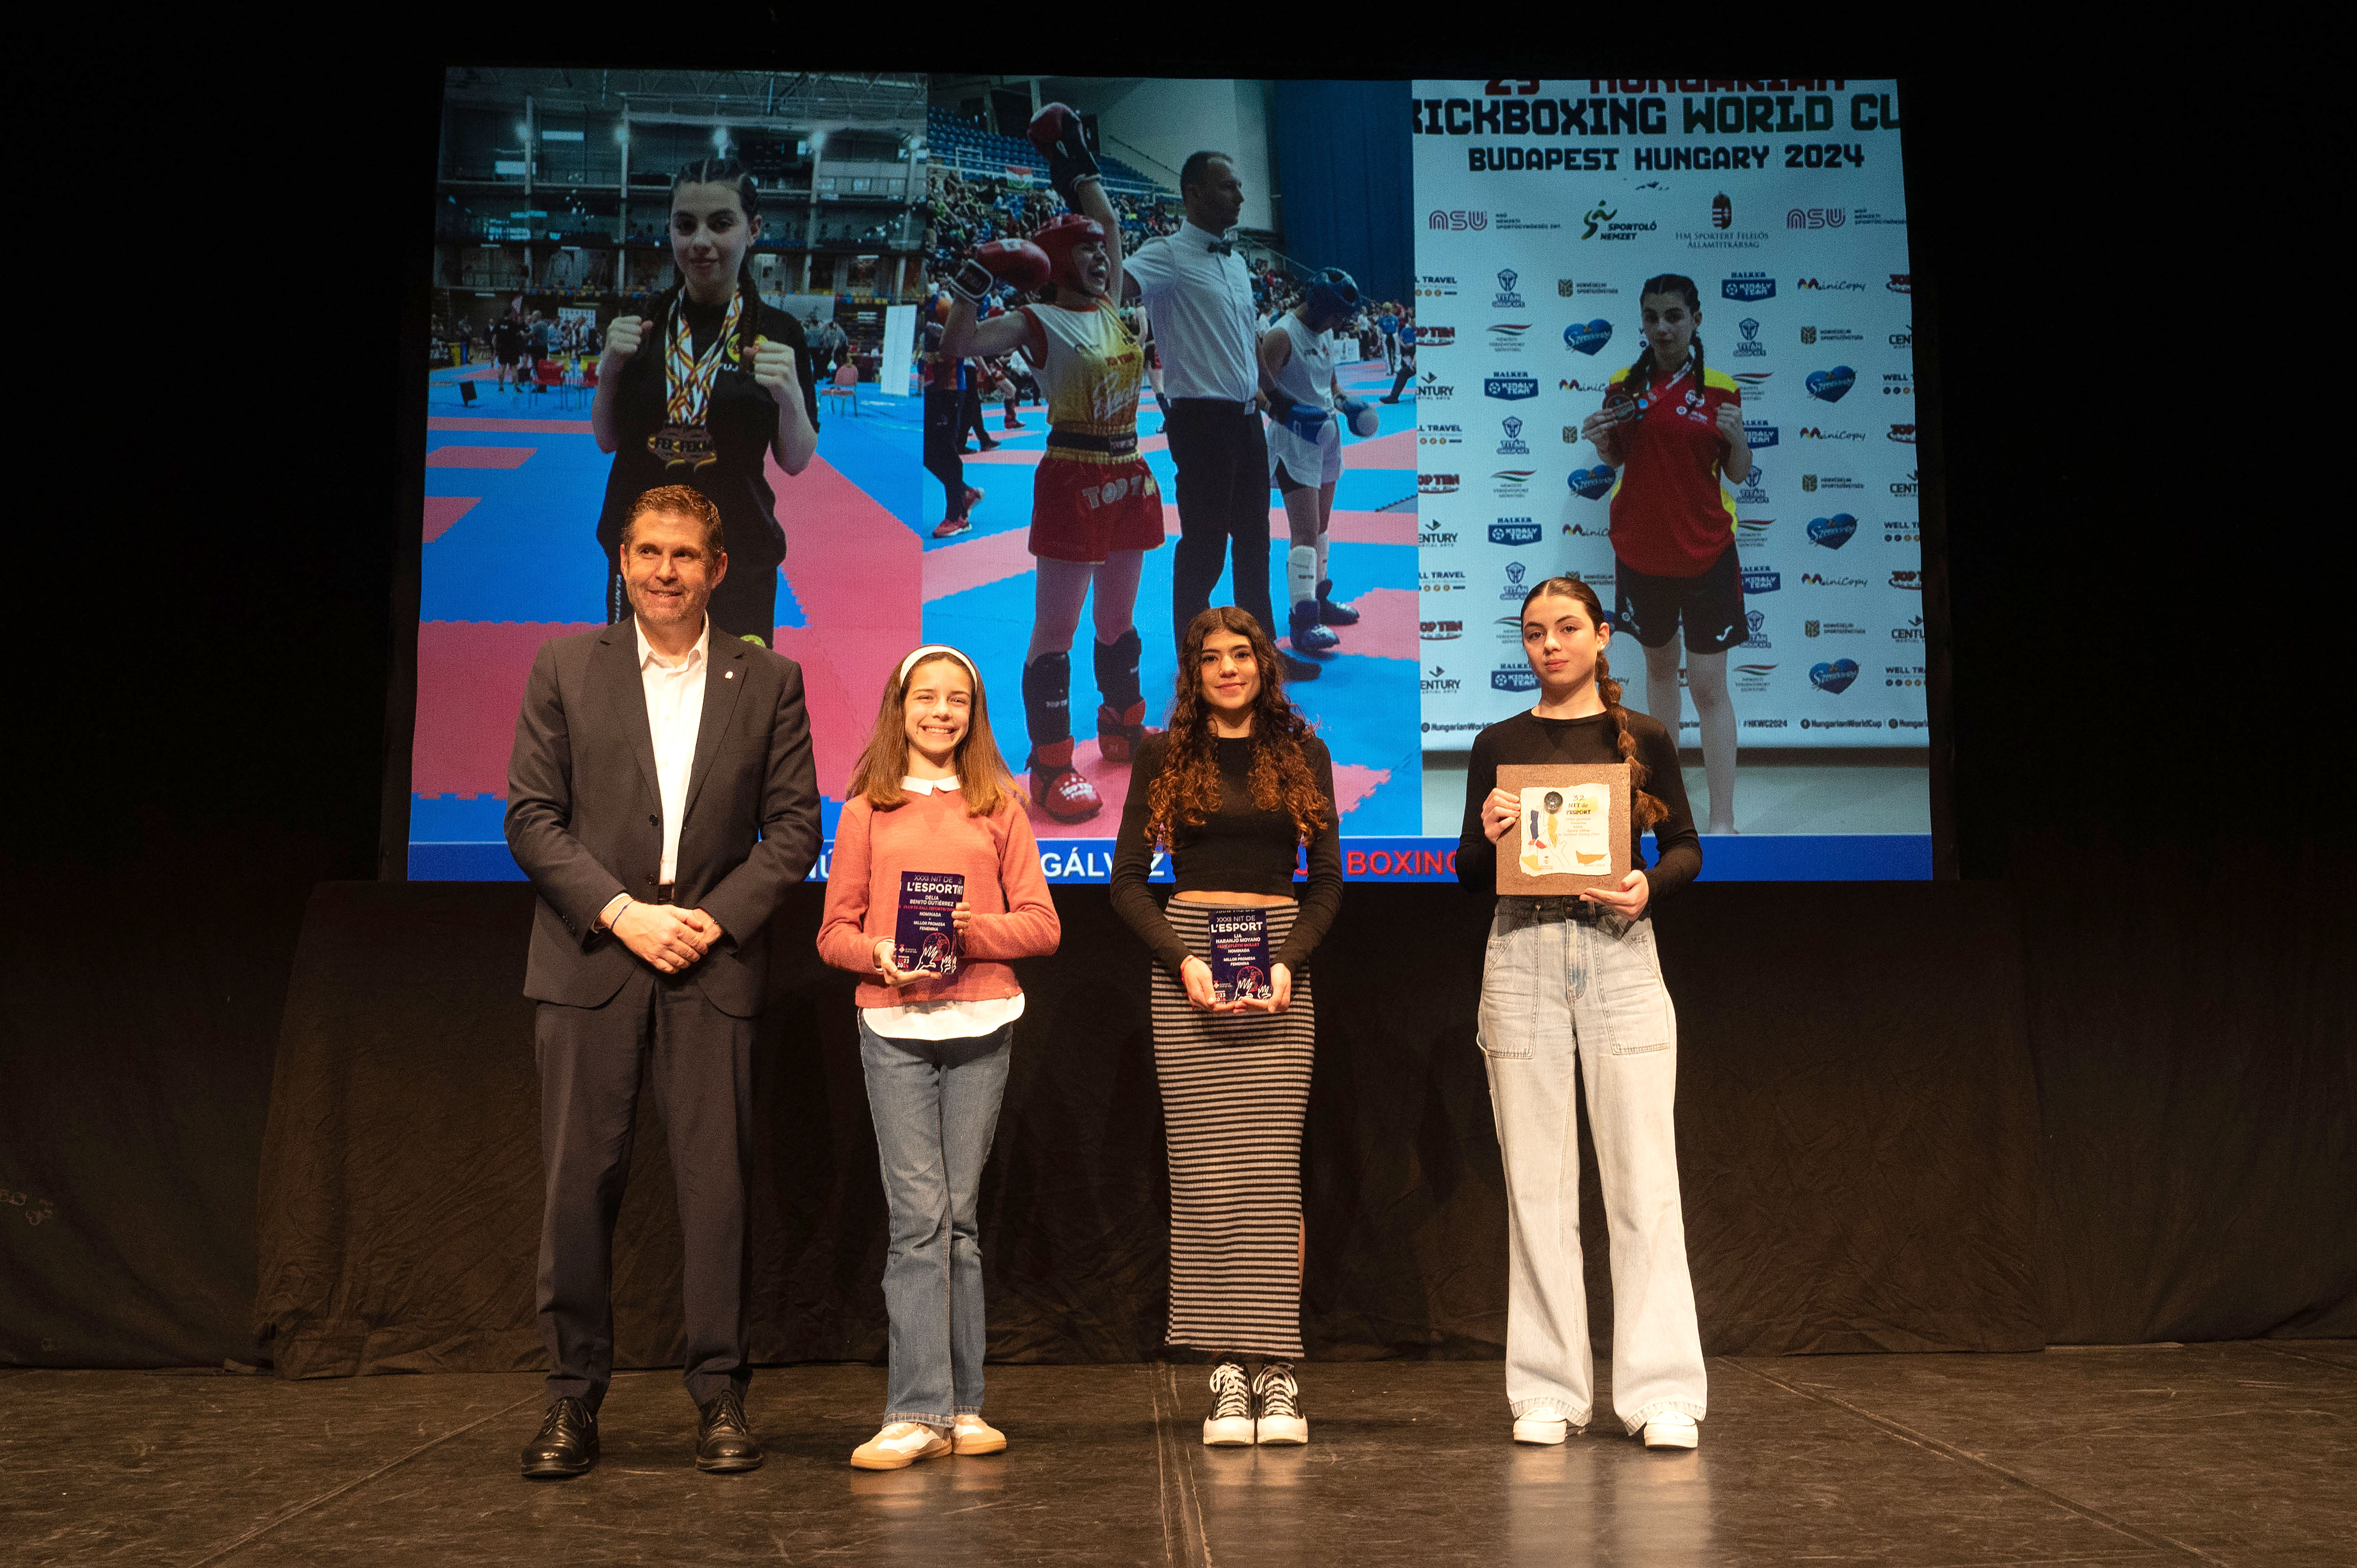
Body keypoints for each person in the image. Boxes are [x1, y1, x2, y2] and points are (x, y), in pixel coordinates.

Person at [505, 484, 823, 1480]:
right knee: (576, 1190)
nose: (665, 571)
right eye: (648, 552)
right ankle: (570, 1401)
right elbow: (530, 818)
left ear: (718, 568)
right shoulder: (564, 664)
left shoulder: (768, 678)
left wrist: (712, 919)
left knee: (716, 1190)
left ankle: (721, 1395)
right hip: (591, 959)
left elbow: (797, 830)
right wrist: (624, 912)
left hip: (711, 961)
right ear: (623, 562)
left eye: (685, 554)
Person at [1455, 574, 1707, 1453]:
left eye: (1566, 628)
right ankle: (1548, 1391)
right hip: (1520, 951)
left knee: (1642, 1181)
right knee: (1537, 1187)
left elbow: (1683, 847)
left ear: (1602, 636)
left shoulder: (1639, 736)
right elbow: (1464, 872)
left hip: (1616, 954)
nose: (1548, 645)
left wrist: (1646, 885)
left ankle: (1660, 1391)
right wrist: (1486, 832)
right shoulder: (1497, 743)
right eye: (1532, 632)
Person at [817, 645, 1059, 1471]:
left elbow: (1042, 924)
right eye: (927, 697)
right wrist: (881, 953)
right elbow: (832, 933)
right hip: (893, 1028)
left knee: (958, 1220)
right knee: (919, 1218)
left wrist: (966, 930)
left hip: (982, 1024)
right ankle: (913, 1410)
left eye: (957, 699)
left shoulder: (1001, 806)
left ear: (973, 713)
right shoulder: (864, 811)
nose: (941, 712)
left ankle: (961, 1406)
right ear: (901, 706)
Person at [1110, 607, 1344, 1447]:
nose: (1226, 669)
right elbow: (1128, 881)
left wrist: (1290, 961)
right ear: (1193, 671)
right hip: (1190, 967)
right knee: (1207, 1177)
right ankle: (1224, 1376)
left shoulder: (1301, 754)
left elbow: (1326, 884)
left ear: (1262, 663)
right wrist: (1183, 959)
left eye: (1240, 654)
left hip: (1281, 960)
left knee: (1271, 1175)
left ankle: (1276, 1371)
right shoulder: (1161, 753)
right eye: (1209, 658)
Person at [943, 112, 1164, 825]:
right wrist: (974, 278)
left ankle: (1123, 726)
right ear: (1060, 261)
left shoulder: (1110, 301)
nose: (1103, 257)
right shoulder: (1039, 319)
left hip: (1129, 470)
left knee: (1119, 622)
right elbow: (959, 344)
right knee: (1056, 631)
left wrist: (1067, 152)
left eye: (1104, 252)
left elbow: (1103, 214)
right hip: (1072, 474)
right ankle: (1050, 765)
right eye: (1089, 253)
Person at [591, 157, 822, 647]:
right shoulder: (641, 328)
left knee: (735, 704)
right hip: (647, 554)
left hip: (737, 552)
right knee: (641, 698)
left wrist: (791, 397)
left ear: (752, 229)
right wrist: (609, 370)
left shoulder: (779, 333)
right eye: (685, 224)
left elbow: (796, 460)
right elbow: (606, 439)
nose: (700, 241)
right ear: (670, 229)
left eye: (720, 223)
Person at [1118, 146, 1318, 682]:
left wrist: (1276, 402)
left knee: (1254, 541)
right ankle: (1192, 662)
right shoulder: (1165, 254)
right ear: (1194, 194)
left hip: (1245, 419)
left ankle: (1262, 654)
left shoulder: (1234, 263)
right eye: (1228, 186)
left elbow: (1246, 343)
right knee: (1205, 546)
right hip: (1199, 423)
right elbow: (1113, 286)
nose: (1240, 195)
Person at [1577, 274, 1749, 834]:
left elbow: (1736, 472)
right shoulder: (1623, 385)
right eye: (1651, 317)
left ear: (1695, 320)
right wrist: (1600, 438)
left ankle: (1722, 821)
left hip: (1706, 552)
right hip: (1643, 553)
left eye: (1672, 316)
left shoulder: (1721, 388)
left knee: (1706, 686)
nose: (1661, 327)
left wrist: (1740, 441)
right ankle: (1664, 816)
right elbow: (1616, 460)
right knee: (1658, 673)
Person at [1258, 268, 1373, 663]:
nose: (1339, 323)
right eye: (1337, 314)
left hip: (1326, 434)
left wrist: (1348, 404)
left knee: (1322, 526)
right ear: (1324, 306)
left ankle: (1319, 599)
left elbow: (1332, 386)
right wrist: (1286, 413)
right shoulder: (1281, 335)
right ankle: (1301, 618)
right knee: (1304, 531)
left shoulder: (1323, 334)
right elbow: (1257, 387)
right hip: (1294, 441)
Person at [921, 298, 984, 539]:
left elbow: (966, 339)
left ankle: (957, 516)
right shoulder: (922, 308)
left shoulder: (944, 307)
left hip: (949, 386)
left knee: (947, 450)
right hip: (930, 388)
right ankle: (965, 493)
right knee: (926, 452)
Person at [1380, 310, 1416, 404]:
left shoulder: (1422, 332)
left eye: (1415, 321)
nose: (1413, 323)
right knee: (1402, 373)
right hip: (1411, 355)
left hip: (1420, 359)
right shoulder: (1406, 331)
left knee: (1404, 372)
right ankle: (1394, 397)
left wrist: (1415, 361)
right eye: (1412, 321)